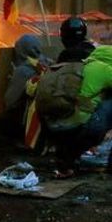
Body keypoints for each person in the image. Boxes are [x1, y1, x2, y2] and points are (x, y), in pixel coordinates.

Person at [45, 45, 112, 177]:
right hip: (81, 125)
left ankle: (65, 157)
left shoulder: (81, 67)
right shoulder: (104, 69)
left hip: (53, 126)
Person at [0, 34, 49, 142]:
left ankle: (22, 141)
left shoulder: (23, 70)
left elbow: (9, 100)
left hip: (33, 120)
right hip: (49, 117)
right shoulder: (47, 63)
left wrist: (11, 80)